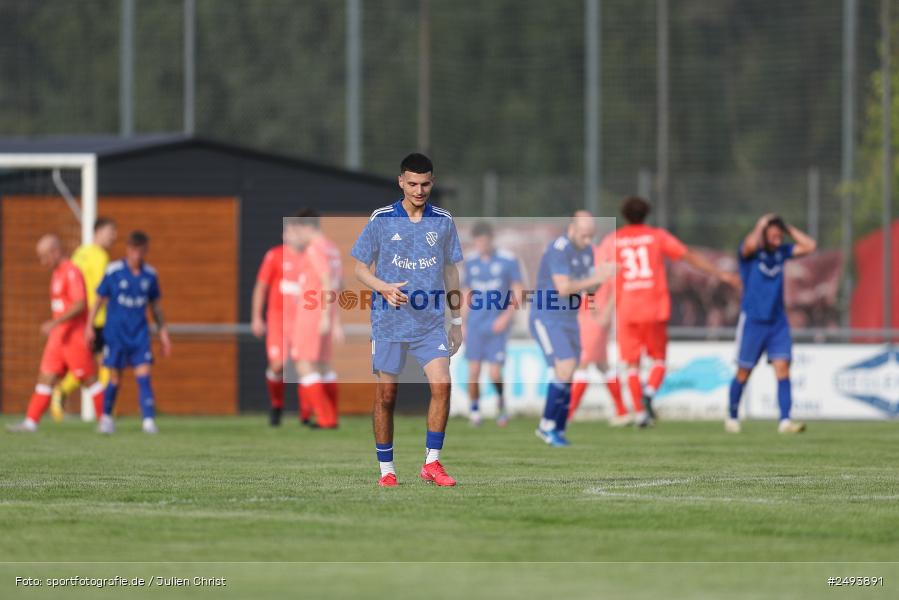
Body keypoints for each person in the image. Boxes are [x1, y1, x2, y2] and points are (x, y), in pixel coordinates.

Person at [351, 153, 463, 487]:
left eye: (425, 183)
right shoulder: (382, 218)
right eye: (412, 183)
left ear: (433, 182)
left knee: (442, 385)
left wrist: (456, 320)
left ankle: (432, 463)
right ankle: (387, 470)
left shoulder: (442, 220)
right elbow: (359, 268)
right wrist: (382, 287)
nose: (419, 190)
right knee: (387, 396)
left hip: (430, 323)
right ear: (401, 181)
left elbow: (450, 270)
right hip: (390, 323)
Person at [597, 196, 741, 427]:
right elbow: (688, 256)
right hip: (654, 307)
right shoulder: (656, 236)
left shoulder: (613, 239)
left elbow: (601, 270)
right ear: (646, 214)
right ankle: (650, 392)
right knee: (659, 360)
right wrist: (721, 274)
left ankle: (640, 412)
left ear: (624, 216)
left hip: (627, 309)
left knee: (631, 365)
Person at [530, 211, 614, 447]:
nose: (589, 242)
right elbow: (564, 288)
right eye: (585, 236)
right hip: (547, 317)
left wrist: (602, 278)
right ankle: (546, 426)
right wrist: (598, 276)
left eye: (592, 237)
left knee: (570, 371)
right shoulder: (559, 249)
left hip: (569, 318)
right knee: (565, 367)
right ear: (573, 230)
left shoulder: (586, 251)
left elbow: (590, 291)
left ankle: (557, 427)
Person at [726, 214, 816, 434]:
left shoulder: (781, 253)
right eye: (773, 234)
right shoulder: (750, 255)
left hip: (777, 322)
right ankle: (732, 415)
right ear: (764, 235)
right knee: (744, 371)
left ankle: (785, 421)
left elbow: (809, 246)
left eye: (780, 234)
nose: (777, 238)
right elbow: (748, 245)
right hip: (753, 321)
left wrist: (787, 226)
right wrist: (761, 225)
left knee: (783, 367)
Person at [7, 235, 106, 433]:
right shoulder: (56, 273)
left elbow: (80, 303)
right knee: (45, 378)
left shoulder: (71, 271)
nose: (43, 262)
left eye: (44, 257)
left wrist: (55, 321)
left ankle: (105, 420)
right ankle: (31, 422)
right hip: (58, 339)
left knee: (89, 380)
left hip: (74, 337)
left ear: (55, 251)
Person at [86, 231, 171, 434]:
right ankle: (106, 418)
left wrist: (163, 333)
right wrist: (88, 325)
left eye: (141, 251)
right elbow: (98, 299)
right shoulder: (114, 271)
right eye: (133, 250)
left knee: (144, 375)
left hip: (139, 334)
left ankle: (148, 421)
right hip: (116, 334)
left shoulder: (150, 275)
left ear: (145, 251)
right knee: (115, 378)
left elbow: (156, 307)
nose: (137, 255)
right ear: (128, 250)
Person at [50, 217, 117, 421]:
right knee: (105, 363)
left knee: (85, 364)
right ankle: (105, 410)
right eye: (110, 232)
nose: (113, 237)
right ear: (98, 232)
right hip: (97, 319)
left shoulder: (79, 253)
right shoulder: (100, 257)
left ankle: (61, 391)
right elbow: (102, 291)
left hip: (80, 319)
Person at [461, 221, 523, 427]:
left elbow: (518, 291)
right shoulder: (470, 262)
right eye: (478, 242)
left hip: (497, 325)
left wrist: (506, 317)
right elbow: (467, 293)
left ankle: (502, 405)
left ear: (491, 240)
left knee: (494, 373)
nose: (482, 245)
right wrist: (462, 322)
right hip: (476, 325)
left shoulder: (507, 260)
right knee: (474, 370)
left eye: (485, 241)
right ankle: (475, 411)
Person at [288, 208, 344, 429]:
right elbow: (338, 285)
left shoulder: (314, 249)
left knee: (304, 365)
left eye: (297, 229)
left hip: (312, 313)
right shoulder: (332, 248)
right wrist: (334, 318)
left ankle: (325, 419)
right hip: (325, 312)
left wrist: (322, 317)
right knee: (323, 365)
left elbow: (327, 281)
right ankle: (331, 417)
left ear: (306, 227)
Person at [251, 222, 304, 426]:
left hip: (302, 321)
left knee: (305, 366)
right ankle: (276, 405)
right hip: (277, 320)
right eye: (289, 231)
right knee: (277, 365)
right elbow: (261, 287)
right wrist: (256, 317)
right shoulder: (274, 255)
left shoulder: (310, 257)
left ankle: (306, 415)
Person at [567, 263, 629, 425]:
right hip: (588, 319)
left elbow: (602, 288)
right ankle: (622, 411)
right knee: (602, 365)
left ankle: (568, 413)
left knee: (583, 363)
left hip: (593, 321)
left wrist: (604, 313)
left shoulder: (598, 260)